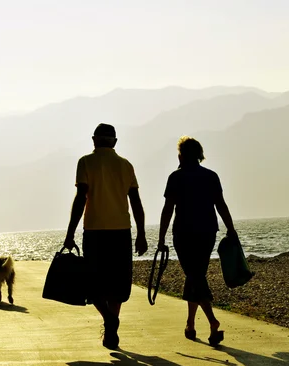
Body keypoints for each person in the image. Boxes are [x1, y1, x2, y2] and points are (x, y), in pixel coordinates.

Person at [64, 123, 148, 350]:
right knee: (118, 284)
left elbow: (81, 198)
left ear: (93, 140)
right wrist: (141, 233)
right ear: (115, 142)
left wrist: (70, 232)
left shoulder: (85, 162)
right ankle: (112, 325)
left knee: (93, 283)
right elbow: (136, 202)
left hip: (94, 231)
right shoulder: (125, 165)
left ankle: (110, 322)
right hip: (121, 231)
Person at [157, 136, 237, 347]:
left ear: (180, 156)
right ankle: (190, 324)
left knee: (194, 275)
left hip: (183, 233)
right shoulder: (211, 176)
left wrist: (161, 237)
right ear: (200, 155)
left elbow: (168, 208)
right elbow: (221, 205)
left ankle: (212, 321)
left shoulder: (176, 177)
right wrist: (231, 229)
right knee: (196, 276)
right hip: (207, 232)